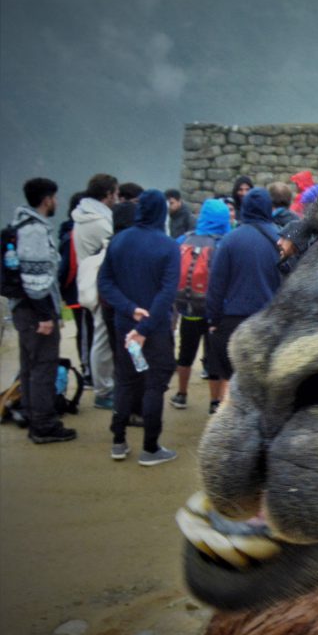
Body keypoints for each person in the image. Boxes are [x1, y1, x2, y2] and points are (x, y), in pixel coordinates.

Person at [97, 189, 180, 466]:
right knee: (155, 384)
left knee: (126, 380)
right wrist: (144, 328)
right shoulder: (168, 246)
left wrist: (129, 309)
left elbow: (105, 283)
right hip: (154, 329)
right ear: (162, 213)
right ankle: (150, 447)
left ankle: (118, 441)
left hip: (125, 326)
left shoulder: (119, 241)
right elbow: (167, 293)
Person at [7, 178, 77, 444]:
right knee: (43, 367)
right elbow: (35, 278)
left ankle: (31, 415)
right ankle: (44, 425)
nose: (56, 202)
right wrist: (46, 316)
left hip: (24, 310)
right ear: (47, 198)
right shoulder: (35, 230)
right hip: (36, 311)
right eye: (54, 197)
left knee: (30, 365)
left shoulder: (20, 225)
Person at [205, 188, 281, 405]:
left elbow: (216, 285)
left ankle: (228, 426)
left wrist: (213, 319)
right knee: (264, 379)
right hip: (268, 321)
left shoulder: (230, 240)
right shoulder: (282, 240)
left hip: (232, 321)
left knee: (232, 377)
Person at [169, 198, 230, 414]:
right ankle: (215, 402)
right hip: (216, 312)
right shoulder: (224, 242)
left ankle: (181, 394)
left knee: (186, 352)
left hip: (189, 308)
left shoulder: (183, 240)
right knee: (215, 357)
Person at [72, 173, 117, 410]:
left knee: (102, 336)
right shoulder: (99, 222)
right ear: (108, 194)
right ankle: (103, 390)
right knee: (102, 339)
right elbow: (115, 246)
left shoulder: (84, 217)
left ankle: (105, 385)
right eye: (115, 193)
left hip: (91, 280)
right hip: (100, 283)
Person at [57, 191, 93, 389]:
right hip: (80, 291)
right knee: (86, 332)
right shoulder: (75, 233)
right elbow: (69, 266)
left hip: (76, 290)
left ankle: (89, 369)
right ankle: (88, 373)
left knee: (85, 331)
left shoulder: (68, 231)